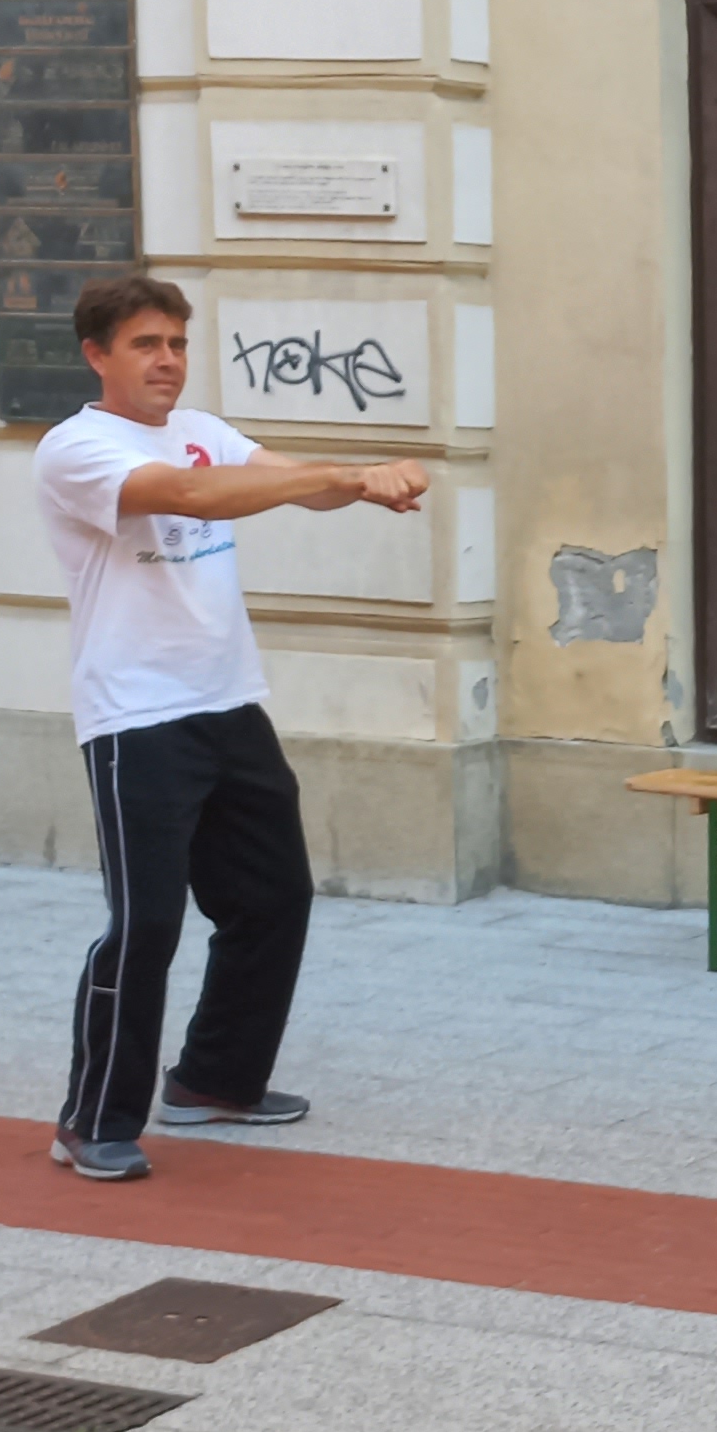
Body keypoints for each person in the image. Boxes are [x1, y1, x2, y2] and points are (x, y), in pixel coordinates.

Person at [31, 274, 423, 1181]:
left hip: (228, 702)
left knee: (274, 898)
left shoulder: (205, 428)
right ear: (97, 354)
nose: (167, 360)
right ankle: (91, 1120)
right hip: (137, 717)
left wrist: (366, 483)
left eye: (176, 343)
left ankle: (213, 1079)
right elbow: (189, 496)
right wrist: (341, 474)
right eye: (145, 344)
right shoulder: (76, 448)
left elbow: (286, 486)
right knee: (146, 925)